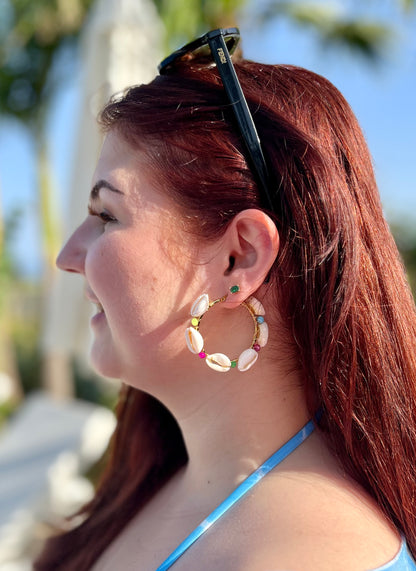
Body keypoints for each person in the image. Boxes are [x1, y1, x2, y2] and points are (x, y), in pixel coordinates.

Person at [35, 28, 416, 570]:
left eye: (106, 217)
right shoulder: (158, 477)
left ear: (239, 258)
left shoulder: (310, 557)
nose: (68, 255)